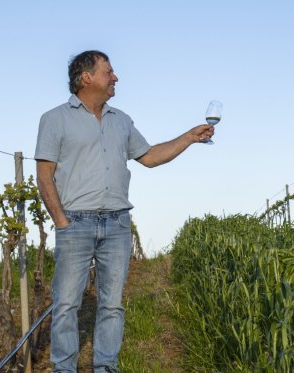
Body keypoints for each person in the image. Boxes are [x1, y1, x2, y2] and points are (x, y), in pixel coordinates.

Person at [35, 50, 214, 373]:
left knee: (112, 305)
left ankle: (106, 368)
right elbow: (44, 175)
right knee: (65, 304)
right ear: (86, 77)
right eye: (109, 71)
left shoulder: (122, 120)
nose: (115, 77)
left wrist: (189, 137)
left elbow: (150, 157)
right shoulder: (54, 119)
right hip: (75, 222)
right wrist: (61, 221)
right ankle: (64, 369)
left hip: (117, 222)